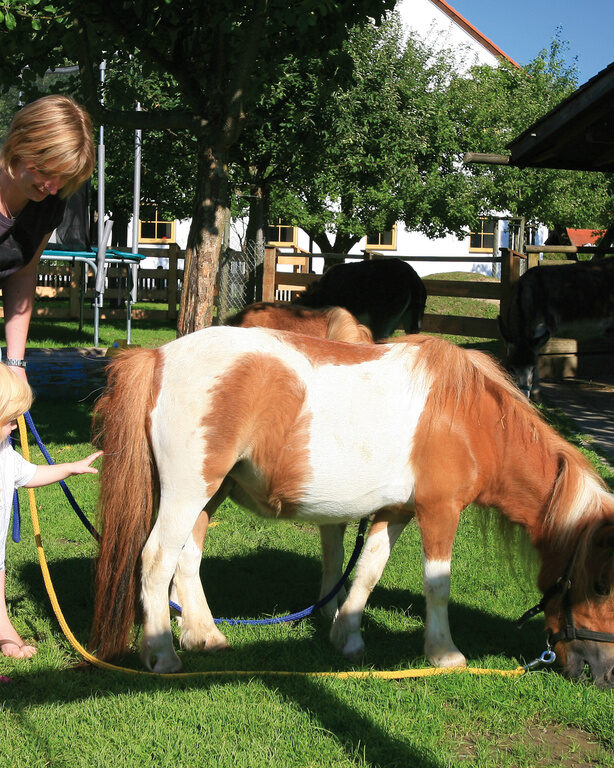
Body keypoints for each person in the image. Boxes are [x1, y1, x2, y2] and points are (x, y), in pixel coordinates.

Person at [0, 363, 102, 658]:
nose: (15, 427)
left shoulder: (6, 455)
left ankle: (3, 627)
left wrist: (70, 468)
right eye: (9, 421)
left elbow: (30, 475)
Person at [0, 95, 95, 378]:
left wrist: (15, 364)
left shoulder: (49, 203)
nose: (53, 187)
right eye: (48, 171)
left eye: (64, 177)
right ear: (23, 145)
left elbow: (24, 273)